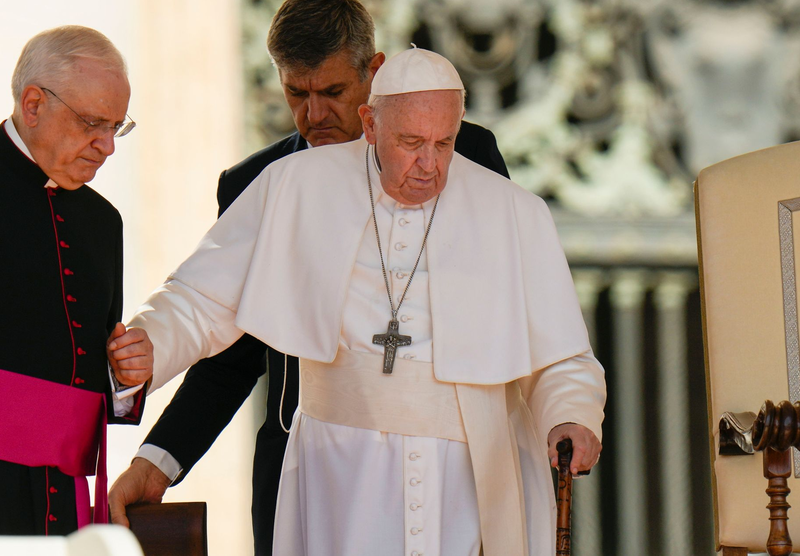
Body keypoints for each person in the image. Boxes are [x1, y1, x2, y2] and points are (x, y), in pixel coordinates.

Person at [113, 47, 605, 555]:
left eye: (444, 143)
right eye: (411, 142)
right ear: (370, 124)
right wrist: (150, 343)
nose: (429, 165)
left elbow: (562, 353)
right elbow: (200, 297)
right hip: (339, 473)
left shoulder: (515, 211)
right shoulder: (293, 186)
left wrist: (571, 412)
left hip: (470, 475)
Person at [0, 25, 153, 536]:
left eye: (117, 126)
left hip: (63, 503)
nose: (107, 145)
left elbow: (89, 373)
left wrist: (124, 378)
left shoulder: (102, 222)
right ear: (34, 103)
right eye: (91, 123)